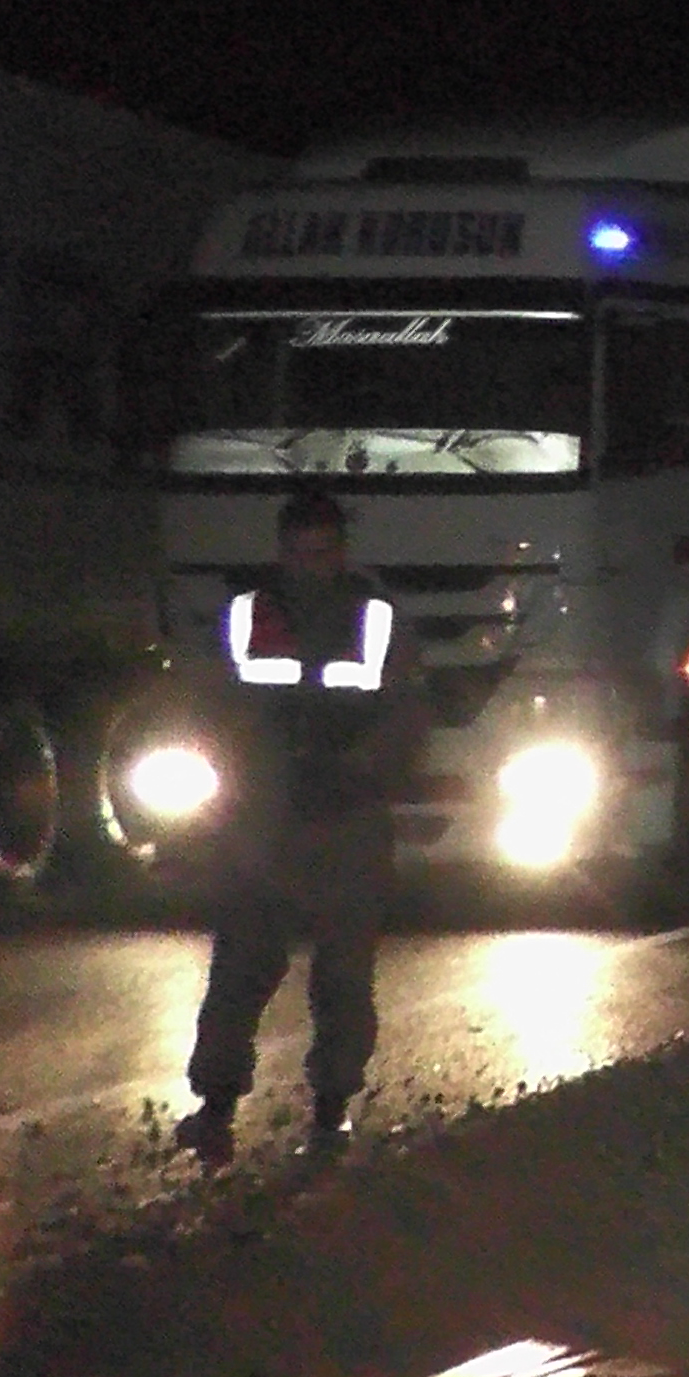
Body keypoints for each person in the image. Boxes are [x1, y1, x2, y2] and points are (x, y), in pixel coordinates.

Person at [181, 489, 427, 1162]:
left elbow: (407, 713)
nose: (309, 567)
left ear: (340, 552)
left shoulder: (375, 618)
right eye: (297, 554)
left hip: (347, 818)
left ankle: (330, 1108)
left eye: (321, 554)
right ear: (281, 551)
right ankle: (216, 1104)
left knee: (344, 976)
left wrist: (362, 767)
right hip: (264, 818)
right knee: (240, 967)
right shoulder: (246, 613)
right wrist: (239, 774)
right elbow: (208, 701)